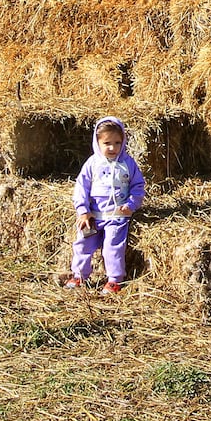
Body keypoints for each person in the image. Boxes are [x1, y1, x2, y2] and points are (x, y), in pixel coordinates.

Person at [66, 116, 146, 296]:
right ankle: (79, 275)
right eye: (107, 143)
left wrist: (131, 204)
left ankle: (114, 280)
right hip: (94, 215)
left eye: (117, 142)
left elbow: (138, 186)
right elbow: (81, 187)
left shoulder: (128, 164)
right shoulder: (92, 164)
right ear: (97, 142)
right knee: (83, 244)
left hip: (117, 215)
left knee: (113, 247)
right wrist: (83, 211)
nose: (112, 148)